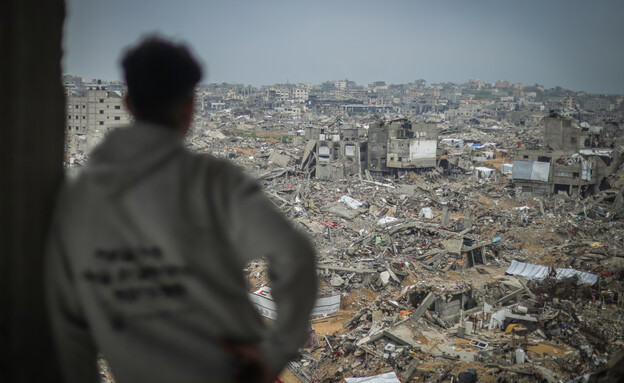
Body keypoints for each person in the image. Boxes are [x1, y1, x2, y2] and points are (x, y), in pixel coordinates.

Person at [45, 36, 317, 383]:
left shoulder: (75, 197)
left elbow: (67, 327)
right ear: (190, 106)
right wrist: (276, 351)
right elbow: (297, 256)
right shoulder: (216, 183)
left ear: (127, 103)